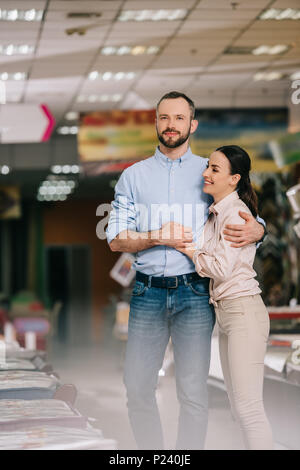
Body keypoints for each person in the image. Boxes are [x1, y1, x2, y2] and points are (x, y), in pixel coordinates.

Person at [106, 91, 265, 450]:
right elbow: (115, 240)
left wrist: (260, 229)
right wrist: (154, 237)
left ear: (192, 124)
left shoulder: (210, 171)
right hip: (147, 292)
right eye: (164, 117)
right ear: (156, 122)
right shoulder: (133, 177)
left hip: (195, 293)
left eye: (179, 118)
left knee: (193, 392)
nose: (171, 125)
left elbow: (247, 216)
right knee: (137, 387)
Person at [178, 145, 273, 450]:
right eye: (208, 166)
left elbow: (219, 267)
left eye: (215, 169)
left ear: (234, 179)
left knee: (249, 410)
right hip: (228, 315)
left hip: (243, 312)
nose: (205, 173)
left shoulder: (235, 213)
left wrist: (190, 251)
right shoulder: (217, 213)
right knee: (239, 410)